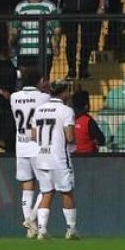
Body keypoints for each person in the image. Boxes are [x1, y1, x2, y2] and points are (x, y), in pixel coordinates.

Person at [31, 80, 80, 240]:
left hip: (41, 156)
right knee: (66, 192)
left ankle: (42, 229)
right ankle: (71, 229)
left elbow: (33, 136)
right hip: (58, 157)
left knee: (46, 192)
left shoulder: (38, 110)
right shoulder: (66, 110)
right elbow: (70, 137)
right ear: (63, 93)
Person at [9, 66, 49, 238]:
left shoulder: (14, 97)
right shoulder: (44, 97)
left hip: (21, 144)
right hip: (38, 145)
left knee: (27, 185)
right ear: (40, 81)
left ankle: (29, 226)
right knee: (47, 186)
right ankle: (32, 219)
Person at [71, 90, 106, 156]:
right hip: (88, 156)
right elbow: (101, 139)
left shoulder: (67, 117)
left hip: (71, 155)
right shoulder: (88, 120)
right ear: (86, 106)